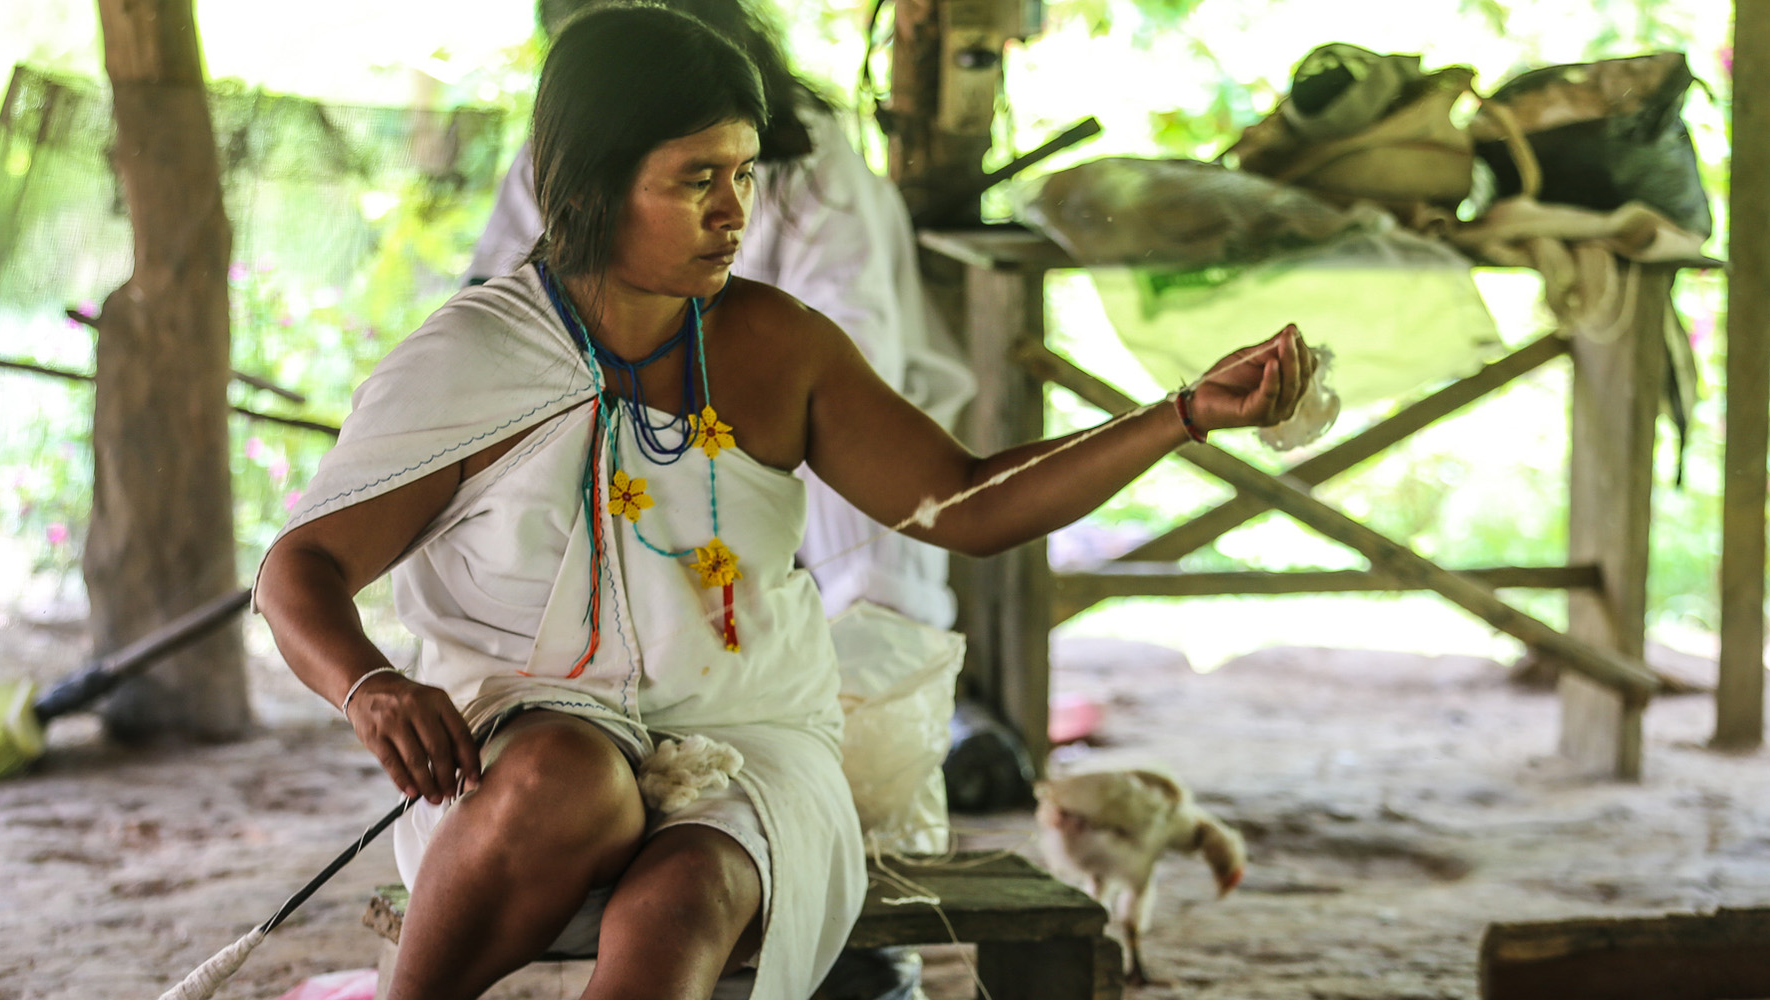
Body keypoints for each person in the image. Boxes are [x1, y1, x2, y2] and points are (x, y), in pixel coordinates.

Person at [255, 6, 1313, 1000]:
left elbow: (964, 503)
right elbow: (298, 570)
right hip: (530, 737)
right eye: (695, 179)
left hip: (748, 737)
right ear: (587, 185)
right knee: (566, 773)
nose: (734, 213)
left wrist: (1178, 414)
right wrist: (372, 688)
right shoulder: (474, 358)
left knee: (686, 900)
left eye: (745, 174)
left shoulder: (774, 344)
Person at [466, 0, 972, 630]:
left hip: (790, 450)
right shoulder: (560, 160)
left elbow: (858, 347)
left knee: (854, 620)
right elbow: (500, 311)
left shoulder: (808, 165)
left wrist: (721, 411)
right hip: (619, 440)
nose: (731, 211)